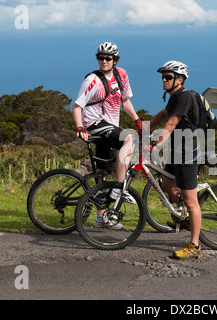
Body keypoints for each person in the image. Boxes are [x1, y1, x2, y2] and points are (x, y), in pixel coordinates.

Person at [72, 41, 143, 229]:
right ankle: (119, 189)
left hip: (109, 126)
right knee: (129, 138)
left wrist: (137, 119)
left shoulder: (121, 75)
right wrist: (80, 128)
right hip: (95, 125)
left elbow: (125, 101)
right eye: (100, 57)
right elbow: (77, 106)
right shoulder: (92, 81)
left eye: (108, 58)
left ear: (115, 60)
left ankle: (100, 218)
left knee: (103, 172)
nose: (103, 61)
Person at [149, 61, 202, 260]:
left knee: (191, 200)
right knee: (167, 184)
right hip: (176, 151)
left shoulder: (185, 97)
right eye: (163, 76)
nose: (164, 80)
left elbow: (171, 123)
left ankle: (194, 245)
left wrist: (155, 145)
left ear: (180, 80)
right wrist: (144, 129)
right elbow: (163, 115)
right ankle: (185, 218)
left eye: (168, 77)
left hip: (188, 152)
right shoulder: (174, 97)